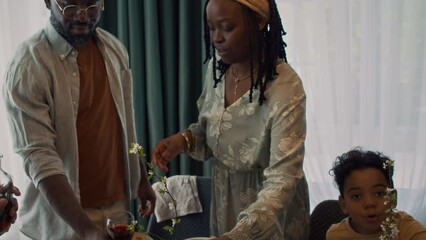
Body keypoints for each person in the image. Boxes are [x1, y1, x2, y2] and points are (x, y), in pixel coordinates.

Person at [153, 0, 309, 239]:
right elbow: (212, 130)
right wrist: (183, 140)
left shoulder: (285, 88)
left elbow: (283, 178)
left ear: (258, 22)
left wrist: (241, 234)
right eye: (211, 28)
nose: (216, 38)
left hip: (270, 211)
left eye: (226, 28)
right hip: (225, 199)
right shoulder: (217, 67)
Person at [2, 0, 156, 239]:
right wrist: (85, 230)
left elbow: (125, 124)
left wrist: (141, 180)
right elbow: (39, 156)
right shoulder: (28, 66)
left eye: (92, 5)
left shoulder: (115, 48)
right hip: (63, 222)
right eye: (70, 5)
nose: (83, 16)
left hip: (117, 209)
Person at [327, 148, 426, 239]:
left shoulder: (407, 229)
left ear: (393, 198)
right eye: (356, 196)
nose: (370, 203)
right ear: (344, 204)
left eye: (379, 193)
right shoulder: (335, 235)